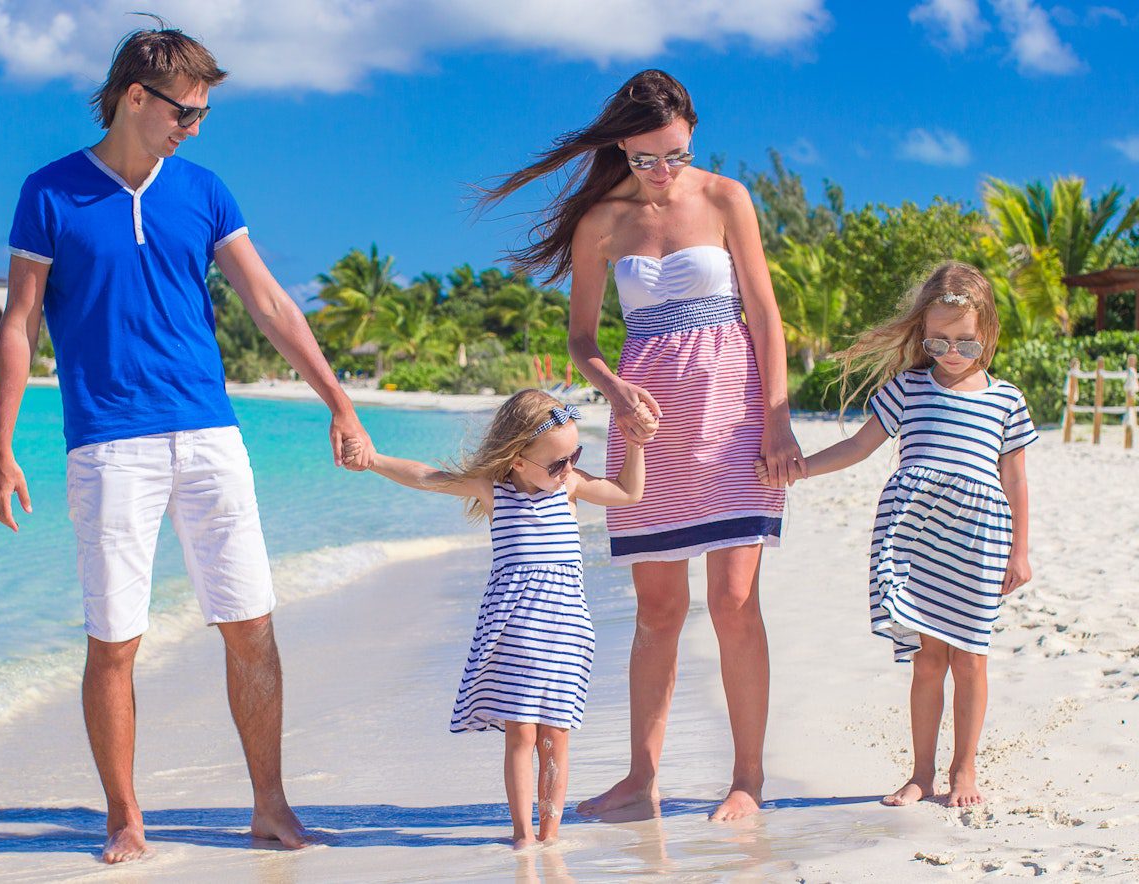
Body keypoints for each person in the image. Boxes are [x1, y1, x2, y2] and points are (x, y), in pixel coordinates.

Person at [0, 24, 374, 862]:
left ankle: (270, 805)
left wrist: (338, 403)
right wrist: (0, 447)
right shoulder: (48, 193)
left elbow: (269, 303)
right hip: (107, 445)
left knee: (251, 626)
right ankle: (125, 817)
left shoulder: (203, 190)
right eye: (185, 111)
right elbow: (18, 324)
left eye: (201, 113)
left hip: (208, 436)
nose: (194, 127)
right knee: (115, 639)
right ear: (134, 97)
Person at [477, 69, 799, 821]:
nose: (662, 173)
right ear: (622, 143)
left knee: (734, 601)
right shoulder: (601, 221)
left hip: (733, 414)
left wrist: (778, 416)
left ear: (692, 141)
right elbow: (583, 339)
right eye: (647, 158)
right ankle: (641, 781)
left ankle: (747, 780)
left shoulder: (726, 199)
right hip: (647, 426)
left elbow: (765, 313)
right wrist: (614, 392)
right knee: (657, 610)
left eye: (676, 155)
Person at [761, 261, 1036, 808]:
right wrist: (801, 468)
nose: (951, 354)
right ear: (923, 336)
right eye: (937, 343)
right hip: (916, 536)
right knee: (929, 659)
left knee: (971, 656)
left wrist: (1020, 551)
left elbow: (1016, 477)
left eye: (964, 342)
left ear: (987, 334)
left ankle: (966, 769)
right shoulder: (907, 388)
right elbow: (859, 448)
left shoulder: (1006, 399)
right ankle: (922, 772)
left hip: (980, 539)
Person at [354, 390, 645, 846]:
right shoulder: (495, 491)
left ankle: (551, 833)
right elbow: (428, 476)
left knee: (556, 739)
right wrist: (373, 460)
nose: (569, 468)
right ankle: (523, 834)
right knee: (521, 735)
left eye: (575, 456)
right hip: (515, 634)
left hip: (566, 631)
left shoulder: (570, 487)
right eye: (557, 463)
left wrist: (635, 444)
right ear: (516, 461)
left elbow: (628, 492)